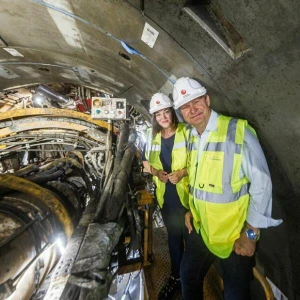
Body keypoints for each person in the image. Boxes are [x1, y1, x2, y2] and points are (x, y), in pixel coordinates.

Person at [172, 77, 283, 300]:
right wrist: (192, 210)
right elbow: (198, 180)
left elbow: (262, 184)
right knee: (188, 275)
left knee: (235, 292)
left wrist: (250, 235)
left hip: (235, 237)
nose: (192, 110)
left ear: (207, 99)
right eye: (185, 106)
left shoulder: (236, 132)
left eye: (196, 102)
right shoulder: (193, 136)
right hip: (202, 230)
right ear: (181, 113)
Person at [142, 93, 189, 300]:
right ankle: (177, 278)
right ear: (154, 117)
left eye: (166, 111)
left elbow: (200, 161)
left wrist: (182, 173)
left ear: (173, 112)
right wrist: (156, 173)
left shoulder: (187, 132)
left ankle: (190, 278)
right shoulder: (153, 138)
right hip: (167, 198)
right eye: (158, 114)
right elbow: (146, 163)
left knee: (193, 240)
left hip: (188, 197)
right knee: (174, 239)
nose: (163, 117)